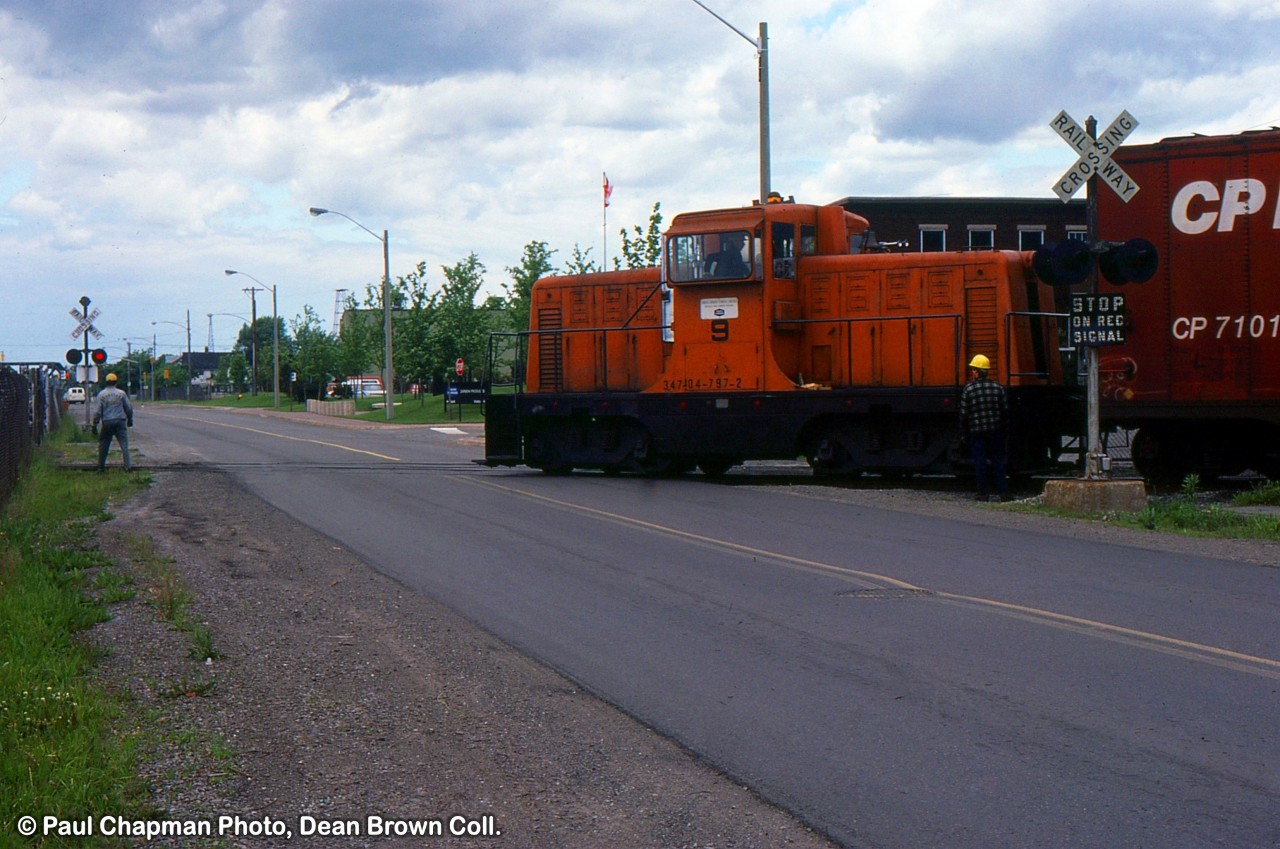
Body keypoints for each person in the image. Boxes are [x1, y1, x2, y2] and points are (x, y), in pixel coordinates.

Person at [959, 354, 1007, 501]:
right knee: (998, 461)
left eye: (973, 369)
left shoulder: (969, 389)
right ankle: (1003, 493)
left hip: (977, 432)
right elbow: (1004, 411)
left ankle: (982, 493)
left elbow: (964, 414)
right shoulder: (998, 388)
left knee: (980, 462)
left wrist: (963, 433)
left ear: (977, 371)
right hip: (995, 431)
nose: (972, 372)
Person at [93, 373, 134, 471]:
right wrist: (130, 419)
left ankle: (101, 466)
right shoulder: (121, 393)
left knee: (104, 444)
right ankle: (128, 467)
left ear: (106, 382)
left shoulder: (101, 394)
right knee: (124, 445)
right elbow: (128, 408)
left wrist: (95, 424)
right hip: (120, 421)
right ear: (116, 382)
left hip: (107, 422)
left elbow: (97, 411)